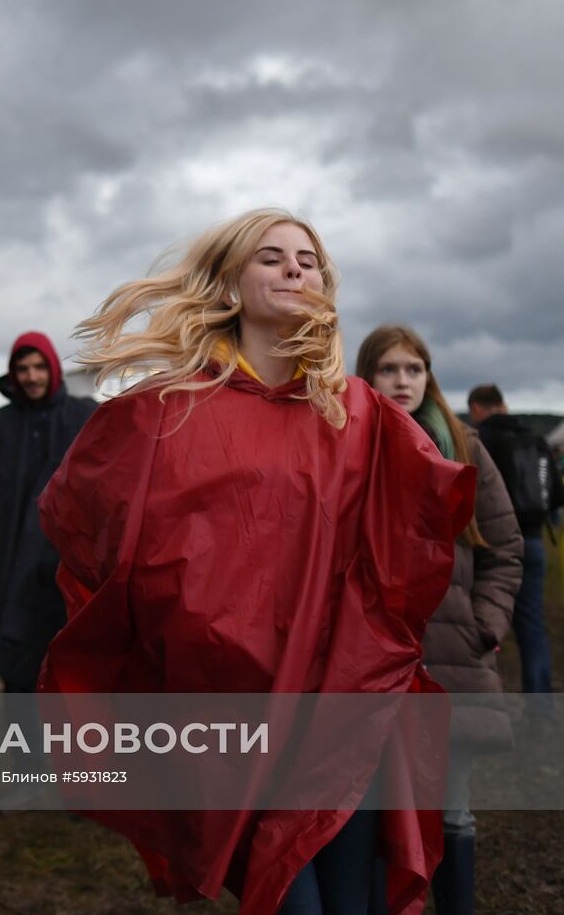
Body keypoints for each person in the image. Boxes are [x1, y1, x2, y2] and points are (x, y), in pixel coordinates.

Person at [38, 211, 474, 915]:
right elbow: (86, 522)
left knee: (349, 897)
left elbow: (415, 536)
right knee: (285, 900)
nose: (295, 269)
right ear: (232, 285)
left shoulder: (356, 412)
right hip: (230, 711)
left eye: (308, 260)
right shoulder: (168, 411)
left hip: (343, 706)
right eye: (271, 258)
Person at [358, 325, 522, 915]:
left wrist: (485, 624)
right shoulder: (350, 442)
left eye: (413, 369)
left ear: (428, 376)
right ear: (366, 374)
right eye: (388, 369)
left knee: (451, 812)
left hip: (454, 659)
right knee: (381, 814)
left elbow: (505, 546)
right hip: (376, 665)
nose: (402, 381)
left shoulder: (465, 446)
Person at [0, 331, 95, 693]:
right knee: (1, 675)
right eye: (23, 368)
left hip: (56, 576)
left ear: (53, 368)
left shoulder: (83, 418)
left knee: (53, 676)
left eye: (38, 367)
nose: (31, 376)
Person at [466, 382, 564, 721]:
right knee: (532, 625)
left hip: (490, 547)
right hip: (534, 541)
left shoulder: (481, 440)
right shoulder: (534, 439)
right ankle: (540, 709)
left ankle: (484, 709)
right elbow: (555, 494)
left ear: (477, 407)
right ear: (503, 405)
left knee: (484, 625)